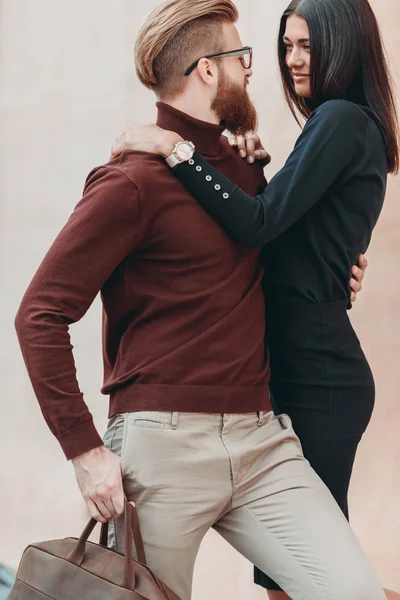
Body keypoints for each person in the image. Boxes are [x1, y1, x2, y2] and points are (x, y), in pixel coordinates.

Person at [14, 1, 387, 599]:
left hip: (263, 437)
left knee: (354, 592)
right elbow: (39, 314)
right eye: (242, 58)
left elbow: (272, 245)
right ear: (210, 71)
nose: (257, 68)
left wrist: (338, 265)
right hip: (163, 445)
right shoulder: (131, 180)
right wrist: (83, 449)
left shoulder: (243, 171)